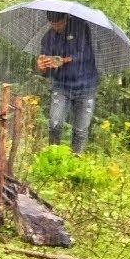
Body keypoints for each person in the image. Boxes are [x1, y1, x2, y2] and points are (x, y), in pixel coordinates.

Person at [37, 10, 98, 153]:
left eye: (60, 24)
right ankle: (54, 155)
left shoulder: (81, 28)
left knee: (80, 130)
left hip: (86, 85)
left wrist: (63, 60)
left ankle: (76, 160)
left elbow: (86, 54)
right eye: (53, 25)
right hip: (61, 85)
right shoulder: (48, 38)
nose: (57, 27)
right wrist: (41, 66)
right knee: (55, 123)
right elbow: (45, 70)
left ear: (66, 18)